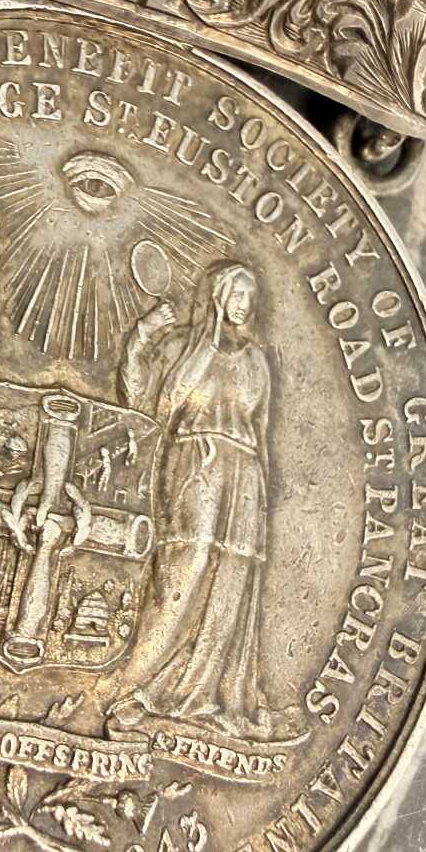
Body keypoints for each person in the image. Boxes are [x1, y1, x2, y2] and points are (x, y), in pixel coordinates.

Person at [108, 260, 278, 738]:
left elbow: (261, 429)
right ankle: (136, 686)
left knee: (233, 574)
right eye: (236, 293)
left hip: (244, 471)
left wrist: (262, 494)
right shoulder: (184, 346)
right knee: (191, 559)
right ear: (217, 295)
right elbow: (142, 400)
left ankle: (203, 696)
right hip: (193, 460)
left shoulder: (256, 362)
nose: (244, 304)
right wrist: (142, 336)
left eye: (250, 296)